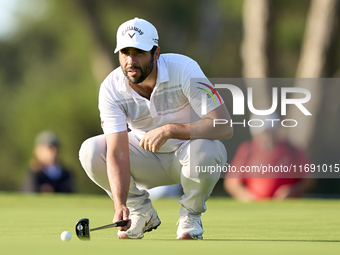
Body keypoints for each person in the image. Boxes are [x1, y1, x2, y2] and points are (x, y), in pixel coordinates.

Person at [79, 17, 233, 240]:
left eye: (139, 52)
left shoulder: (185, 69)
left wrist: (170, 130)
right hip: (145, 158)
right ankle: (140, 211)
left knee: (206, 149)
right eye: (125, 53)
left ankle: (190, 216)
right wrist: (120, 203)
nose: (130, 61)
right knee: (90, 150)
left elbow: (224, 125)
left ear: (156, 53)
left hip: (189, 156)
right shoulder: (111, 88)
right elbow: (117, 151)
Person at [224, 114, 315, 201]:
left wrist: (291, 191)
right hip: (255, 209)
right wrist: (247, 197)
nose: (267, 136)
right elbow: (231, 183)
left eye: (270, 131)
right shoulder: (247, 150)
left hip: (287, 207)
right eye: (264, 132)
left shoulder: (293, 150)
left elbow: (307, 179)